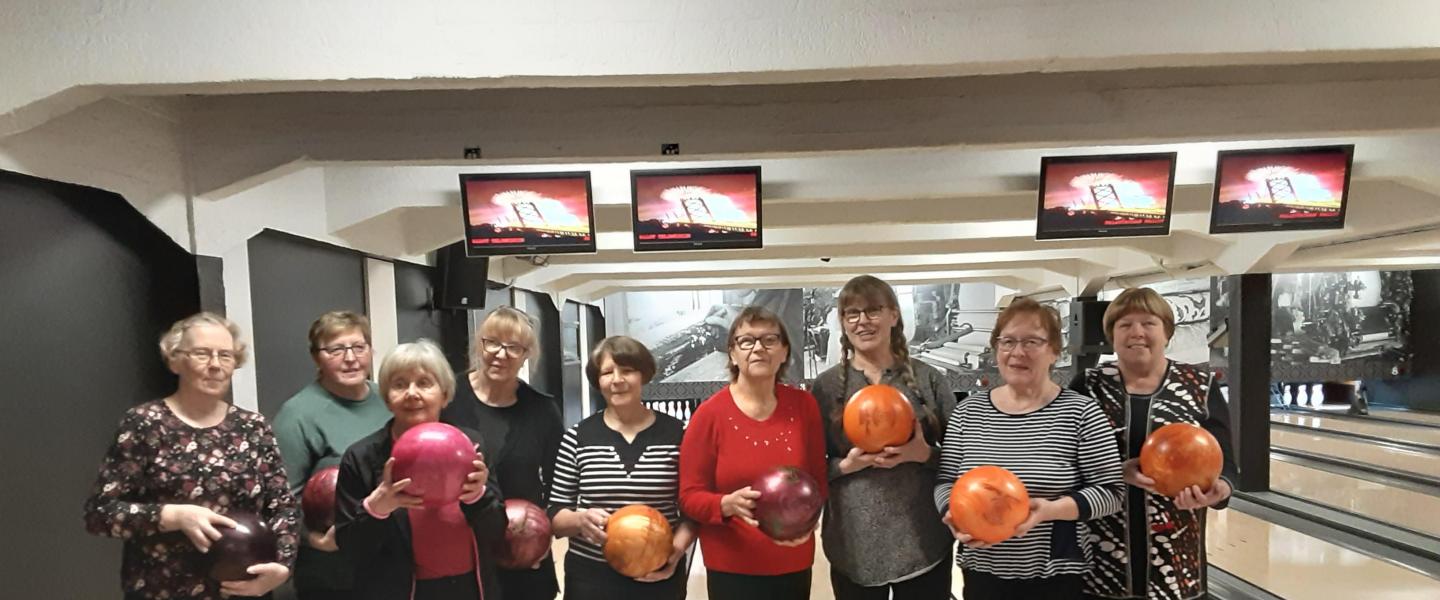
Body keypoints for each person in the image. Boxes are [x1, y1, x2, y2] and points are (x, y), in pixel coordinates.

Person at [83, 312, 298, 600]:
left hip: (242, 591)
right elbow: (100, 513)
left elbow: (282, 507)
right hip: (162, 589)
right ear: (175, 361)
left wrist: (281, 566)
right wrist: (172, 516)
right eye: (202, 354)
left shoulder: (253, 427)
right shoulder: (144, 423)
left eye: (225, 355)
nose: (215, 365)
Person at [934, 299, 1124, 599]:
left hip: (1056, 576)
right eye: (1008, 341)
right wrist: (953, 513)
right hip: (983, 572)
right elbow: (946, 481)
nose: (1018, 352)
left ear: (1054, 351)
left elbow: (1112, 492)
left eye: (1032, 342)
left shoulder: (1081, 413)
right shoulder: (968, 413)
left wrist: (1050, 510)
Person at [1071, 288, 1236, 600]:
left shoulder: (1200, 386)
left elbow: (1226, 461)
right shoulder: (1088, 385)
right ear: (1112, 335)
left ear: (1167, 333)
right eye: (1124, 324)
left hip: (1176, 556)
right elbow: (1067, 461)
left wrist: (1220, 489)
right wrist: (1115, 472)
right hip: (1101, 557)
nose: (1137, 332)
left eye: (1148, 323)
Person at [810, 275, 955, 599]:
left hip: (924, 541)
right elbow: (810, 467)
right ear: (843, 323)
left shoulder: (929, 379)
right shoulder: (826, 387)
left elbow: (962, 459)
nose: (862, 321)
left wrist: (923, 454)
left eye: (873, 310)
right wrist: (846, 466)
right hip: (853, 545)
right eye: (852, 313)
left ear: (893, 315)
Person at [333, 340, 505, 600]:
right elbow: (350, 548)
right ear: (387, 398)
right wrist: (376, 509)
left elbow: (496, 532)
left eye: (424, 383)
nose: (412, 393)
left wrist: (478, 497)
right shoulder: (361, 457)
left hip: (471, 589)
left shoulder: (471, 445)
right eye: (400, 384)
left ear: (444, 395)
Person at [679, 306, 828, 600]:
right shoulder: (709, 415)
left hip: (792, 558)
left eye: (769, 339)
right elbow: (688, 496)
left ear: (784, 352)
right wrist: (725, 504)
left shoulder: (804, 406)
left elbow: (817, 481)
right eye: (746, 341)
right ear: (733, 354)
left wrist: (807, 522)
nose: (758, 348)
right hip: (731, 563)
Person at [548, 336, 695, 600]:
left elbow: (692, 512)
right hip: (590, 578)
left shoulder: (678, 435)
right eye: (607, 373)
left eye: (627, 370)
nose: (617, 380)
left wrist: (676, 551)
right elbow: (556, 515)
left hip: (658, 573)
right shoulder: (577, 438)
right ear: (598, 381)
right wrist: (580, 520)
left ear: (644, 375)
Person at [441, 306, 565, 600]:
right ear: (479, 344)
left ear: (526, 354)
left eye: (513, 347)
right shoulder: (448, 397)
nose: (501, 354)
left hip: (522, 545)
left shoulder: (542, 409)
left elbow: (559, 484)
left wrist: (542, 537)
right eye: (492, 342)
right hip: (460, 547)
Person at [272, 311, 391, 600]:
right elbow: (281, 499)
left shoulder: (390, 400)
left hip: (392, 563)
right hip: (333, 573)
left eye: (358, 347)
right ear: (316, 357)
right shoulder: (297, 415)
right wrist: (313, 539)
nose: (350, 358)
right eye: (336, 349)